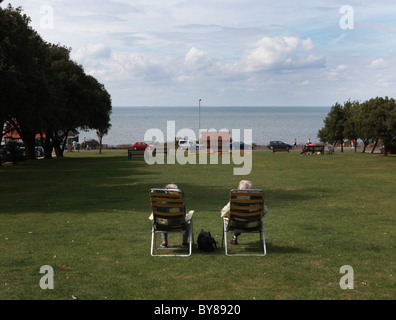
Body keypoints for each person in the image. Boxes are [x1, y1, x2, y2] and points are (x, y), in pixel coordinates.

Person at [220, 180, 268, 245]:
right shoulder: (257, 200)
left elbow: (224, 212)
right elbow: (265, 210)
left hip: (235, 225)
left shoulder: (235, 200)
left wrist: (222, 212)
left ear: (240, 189)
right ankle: (234, 236)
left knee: (237, 219)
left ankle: (234, 237)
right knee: (242, 218)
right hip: (254, 225)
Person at [149, 183, 190, 248]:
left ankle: (164, 242)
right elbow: (184, 213)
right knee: (188, 218)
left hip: (163, 226)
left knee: (161, 218)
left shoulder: (160, 203)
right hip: (179, 225)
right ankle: (184, 242)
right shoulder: (178, 201)